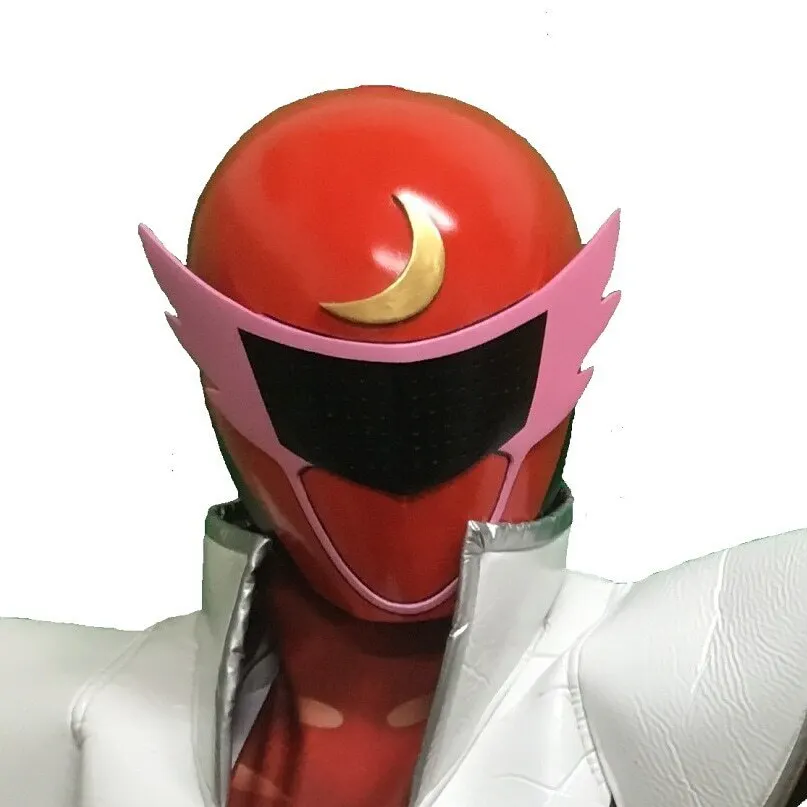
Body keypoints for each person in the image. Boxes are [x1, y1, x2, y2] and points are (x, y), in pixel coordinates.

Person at [1, 86, 806, 807]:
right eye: (337, 399)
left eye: (459, 389)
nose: (406, 452)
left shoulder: (656, 677)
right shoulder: (74, 709)